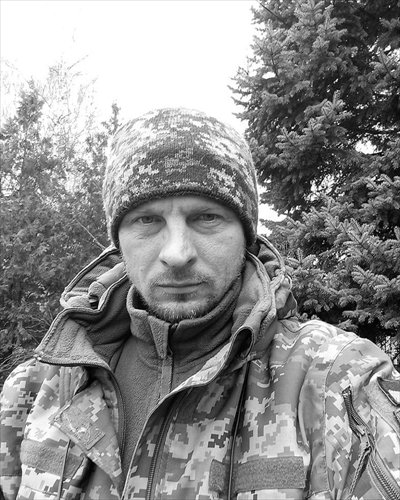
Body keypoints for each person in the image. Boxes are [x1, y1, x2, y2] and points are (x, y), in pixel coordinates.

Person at [1, 108, 399, 500]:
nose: (176, 254)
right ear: (117, 239)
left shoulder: (339, 382)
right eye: (147, 220)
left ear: (246, 234)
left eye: (206, 217)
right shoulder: (35, 389)